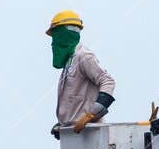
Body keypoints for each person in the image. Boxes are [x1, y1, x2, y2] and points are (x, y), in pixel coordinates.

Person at [47, 9, 115, 137]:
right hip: (74, 133)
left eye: (56, 35)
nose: (53, 42)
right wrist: (63, 125)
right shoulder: (69, 62)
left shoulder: (83, 56)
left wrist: (92, 114)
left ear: (65, 34)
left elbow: (108, 81)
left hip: (90, 133)